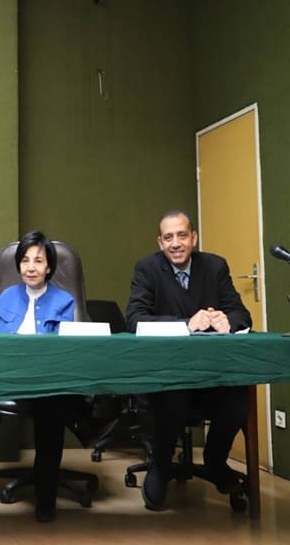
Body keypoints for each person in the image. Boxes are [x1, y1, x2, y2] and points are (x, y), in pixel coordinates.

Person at [126, 210, 252, 511]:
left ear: (193, 238)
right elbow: (135, 320)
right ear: (160, 242)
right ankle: (161, 463)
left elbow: (241, 314)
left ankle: (215, 459)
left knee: (238, 398)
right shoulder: (147, 269)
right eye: (168, 237)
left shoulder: (215, 266)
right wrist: (186, 324)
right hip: (166, 373)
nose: (175, 243)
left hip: (211, 374)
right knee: (173, 394)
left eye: (182, 235)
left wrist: (227, 321)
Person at [0, 230, 76, 522]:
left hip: (47, 379)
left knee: (52, 402)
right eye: (25, 260)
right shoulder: (6, 297)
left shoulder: (64, 300)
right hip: (8, 376)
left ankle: (46, 497)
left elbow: (63, 350)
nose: (31, 267)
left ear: (49, 266)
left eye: (38, 261)